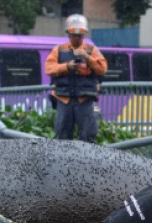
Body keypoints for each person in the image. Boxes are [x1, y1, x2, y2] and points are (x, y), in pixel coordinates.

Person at [45, 14, 108, 142]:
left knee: (87, 135)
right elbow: (48, 68)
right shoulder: (59, 50)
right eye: (74, 34)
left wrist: (87, 57)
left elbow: (102, 69)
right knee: (62, 134)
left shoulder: (92, 50)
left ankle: (86, 161)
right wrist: (67, 66)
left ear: (84, 34)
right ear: (68, 33)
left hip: (84, 99)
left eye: (81, 34)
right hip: (63, 98)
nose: (77, 37)